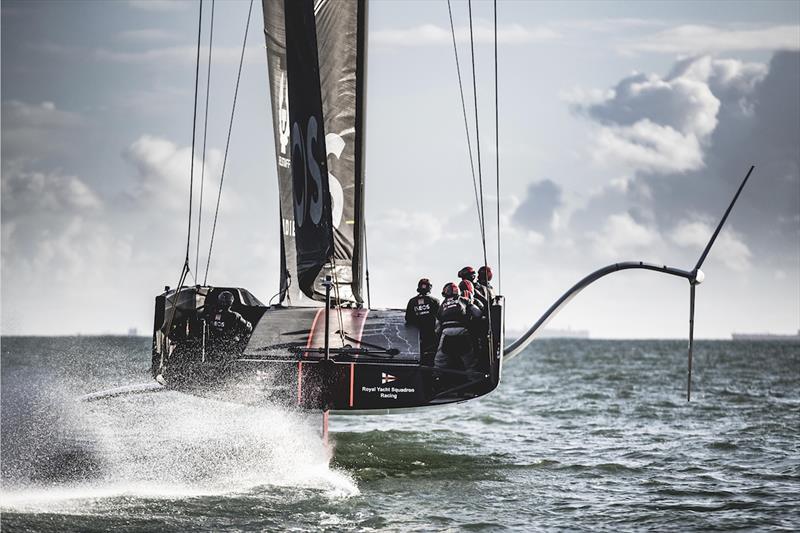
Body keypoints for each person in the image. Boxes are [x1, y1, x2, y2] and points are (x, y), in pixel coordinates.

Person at [434, 282, 483, 385]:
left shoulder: (442, 304)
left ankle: (435, 382)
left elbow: (437, 327)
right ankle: (474, 383)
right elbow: (478, 314)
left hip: (446, 334)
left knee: (439, 362)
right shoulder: (463, 300)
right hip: (462, 332)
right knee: (470, 362)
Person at [405, 278, 440, 365]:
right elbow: (440, 317)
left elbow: (408, 319)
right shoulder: (435, 301)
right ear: (430, 288)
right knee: (432, 358)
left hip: (417, 337)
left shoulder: (412, 301)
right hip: (432, 335)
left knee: (420, 359)